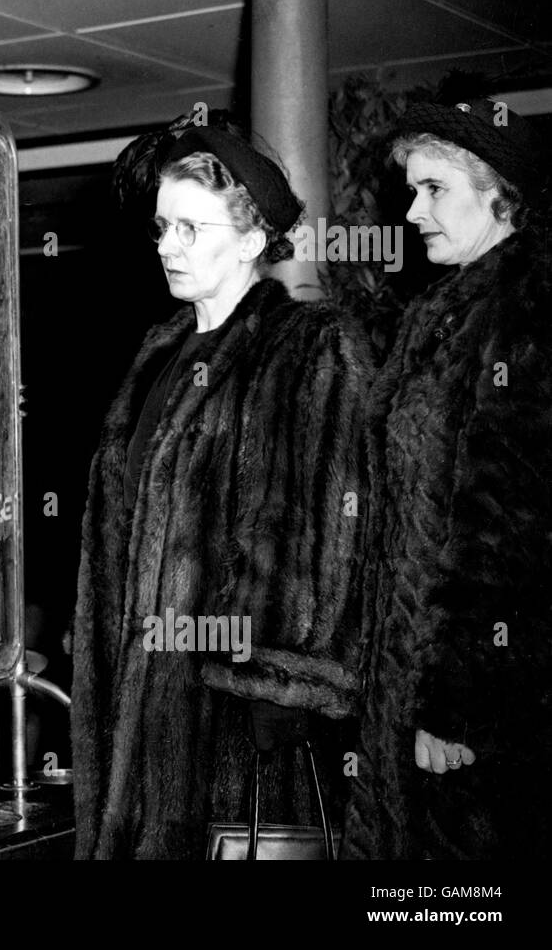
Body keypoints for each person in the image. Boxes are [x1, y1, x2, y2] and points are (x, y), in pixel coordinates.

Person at [71, 124, 373, 860]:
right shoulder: (160, 352)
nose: (167, 245)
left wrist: (276, 679)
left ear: (251, 238)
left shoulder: (306, 344)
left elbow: (321, 533)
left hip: (231, 720)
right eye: (162, 227)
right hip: (133, 707)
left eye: (191, 228)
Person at [342, 99, 552, 860]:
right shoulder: (441, 312)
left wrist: (460, 703)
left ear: (500, 195)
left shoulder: (524, 315)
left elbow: (507, 527)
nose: (412, 208)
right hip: (407, 682)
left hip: (476, 706)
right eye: (412, 188)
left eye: (434, 189)